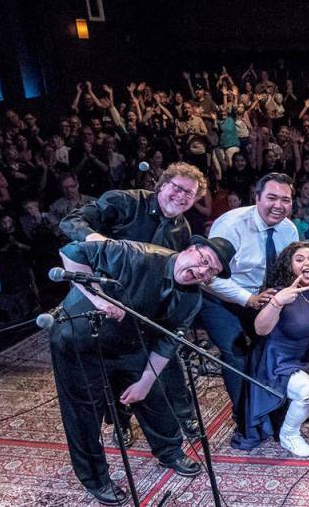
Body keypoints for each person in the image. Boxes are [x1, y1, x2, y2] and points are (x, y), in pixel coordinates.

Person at [49, 235, 235, 506]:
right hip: (78, 340)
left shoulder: (191, 298)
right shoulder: (136, 253)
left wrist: (145, 382)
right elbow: (71, 252)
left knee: (156, 395)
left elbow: (167, 341)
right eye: (204, 260)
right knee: (84, 414)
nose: (202, 271)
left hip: (130, 343)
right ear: (190, 249)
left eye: (211, 272)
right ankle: (96, 478)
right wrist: (99, 300)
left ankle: (170, 451)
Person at [59, 162, 209, 444]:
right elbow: (70, 223)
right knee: (112, 366)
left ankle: (183, 414)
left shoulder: (181, 229)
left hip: (144, 305)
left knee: (167, 356)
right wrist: (94, 239)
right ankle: (121, 421)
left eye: (190, 195)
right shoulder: (125, 201)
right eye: (177, 188)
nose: (181, 196)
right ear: (162, 185)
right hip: (102, 298)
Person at [201, 172, 299, 415]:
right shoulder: (230, 225)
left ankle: (279, 402)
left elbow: (287, 270)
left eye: (285, 200)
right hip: (221, 297)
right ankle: (244, 415)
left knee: (280, 344)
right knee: (236, 352)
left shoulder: (289, 230)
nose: (279, 206)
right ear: (257, 198)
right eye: (272, 198)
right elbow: (209, 276)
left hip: (262, 297)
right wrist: (249, 299)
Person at [235, 241, 309, 456]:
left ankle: (294, 406)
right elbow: (260, 329)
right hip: (275, 363)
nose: (307, 262)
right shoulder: (278, 293)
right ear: (288, 266)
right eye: (299, 259)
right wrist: (278, 302)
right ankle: (289, 434)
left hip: (303, 359)